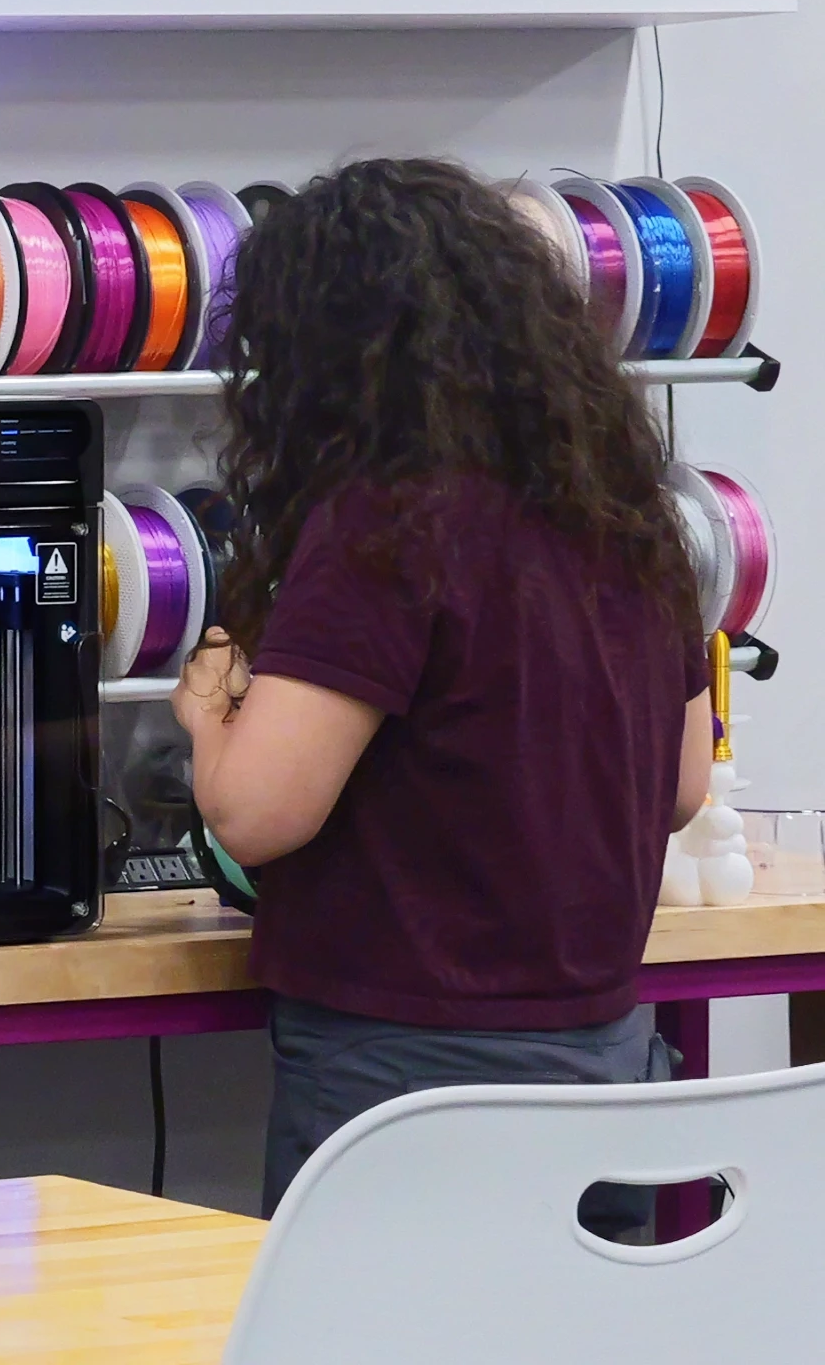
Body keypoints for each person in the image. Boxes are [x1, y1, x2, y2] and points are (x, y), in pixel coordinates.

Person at [170, 159, 715, 1224]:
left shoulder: (386, 525)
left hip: (407, 1091)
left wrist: (208, 715)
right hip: (603, 1072)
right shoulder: (628, 514)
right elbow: (686, 785)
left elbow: (257, 811)